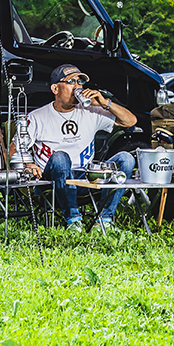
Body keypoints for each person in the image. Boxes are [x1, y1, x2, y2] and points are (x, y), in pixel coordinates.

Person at [28, 63, 138, 232]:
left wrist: (104, 103)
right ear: (55, 89)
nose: (78, 87)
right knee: (60, 157)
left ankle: (104, 220)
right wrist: (28, 164)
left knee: (126, 158)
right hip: (51, 180)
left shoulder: (91, 112)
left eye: (80, 82)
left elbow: (130, 122)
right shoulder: (37, 117)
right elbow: (15, 148)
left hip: (85, 178)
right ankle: (73, 220)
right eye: (71, 81)